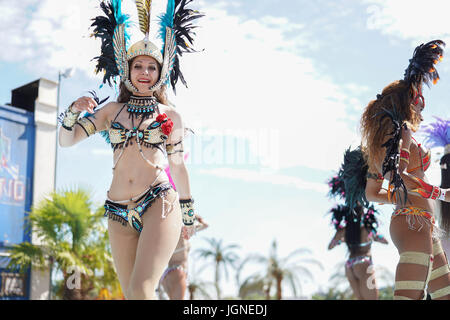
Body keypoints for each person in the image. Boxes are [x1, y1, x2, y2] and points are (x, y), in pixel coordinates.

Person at [58, 0, 203, 299]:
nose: (145, 72)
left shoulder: (170, 116)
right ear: (127, 68)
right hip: (117, 212)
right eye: (138, 65)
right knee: (132, 295)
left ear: (162, 72)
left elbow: (177, 166)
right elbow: (66, 140)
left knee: (142, 289)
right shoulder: (111, 111)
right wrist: (73, 111)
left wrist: (188, 214)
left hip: (159, 204)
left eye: (152, 67)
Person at [361, 40, 450, 300]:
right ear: (410, 102)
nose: (423, 107)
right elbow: (398, 177)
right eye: (420, 100)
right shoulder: (403, 133)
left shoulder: (384, 140)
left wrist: (400, 197)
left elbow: (371, 192)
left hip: (418, 223)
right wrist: (441, 194)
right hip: (413, 223)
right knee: (410, 297)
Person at [327, 148, 388, 300]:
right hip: (364, 263)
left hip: (350, 265)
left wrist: (341, 239)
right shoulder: (367, 229)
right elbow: (384, 241)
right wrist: (374, 237)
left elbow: (330, 246)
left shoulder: (344, 230)